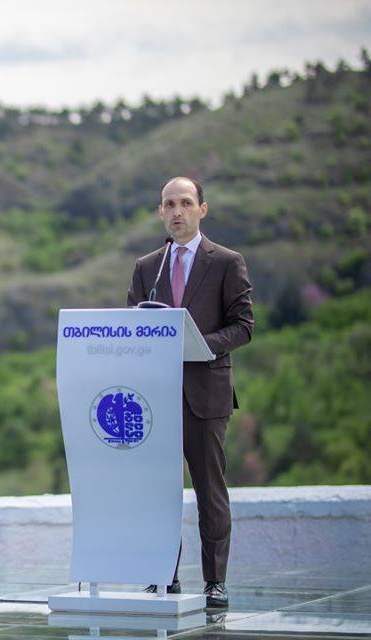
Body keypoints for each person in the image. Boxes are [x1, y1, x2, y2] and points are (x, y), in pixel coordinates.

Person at [127, 176, 253, 608]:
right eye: (169, 204)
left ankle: (215, 581)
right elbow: (133, 325)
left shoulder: (227, 262)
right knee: (159, 492)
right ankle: (162, 574)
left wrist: (198, 344)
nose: (176, 211)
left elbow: (244, 326)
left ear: (202, 209)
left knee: (209, 491)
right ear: (160, 212)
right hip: (156, 397)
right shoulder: (148, 266)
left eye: (185, 202)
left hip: (206, 394)